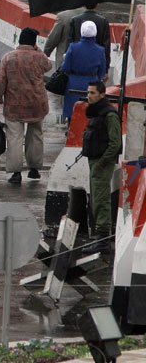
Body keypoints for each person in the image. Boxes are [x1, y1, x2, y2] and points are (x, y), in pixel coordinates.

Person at [0, 28, 52, 184]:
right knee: (35, 135)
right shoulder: (39, 58)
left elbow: (0, 84)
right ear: (34, 42)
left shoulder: (8, 58)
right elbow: (49, 66)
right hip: (36, 103)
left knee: (15, 137)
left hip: (14, 105)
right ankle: (34, 169)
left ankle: (16, 173)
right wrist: (37, 49)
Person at [81, 81, 122, 255]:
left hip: (101, 163)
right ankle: (101, 238)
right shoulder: (97, 113)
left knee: (101, 200)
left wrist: (102, 162)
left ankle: (103, 240)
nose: (89, 95)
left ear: (102, 95)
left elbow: (115, 143)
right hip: (95, 161)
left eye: (92, 93)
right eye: (88, 92)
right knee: (96, 200)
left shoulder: (109, 115)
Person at [61, 21, 108, 125]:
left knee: (73, 112)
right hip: (92, 83)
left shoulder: (73, 47)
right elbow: (102, 71)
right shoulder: (100, 50)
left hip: (74, 82)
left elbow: (65, 68)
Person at [65, 2, 112, 71]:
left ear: (83, 5)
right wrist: (106, 69)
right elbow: (106, 47)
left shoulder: (75, 20)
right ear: (97, 5)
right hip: (95, 64)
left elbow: (69, 42)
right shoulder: (103, 21)